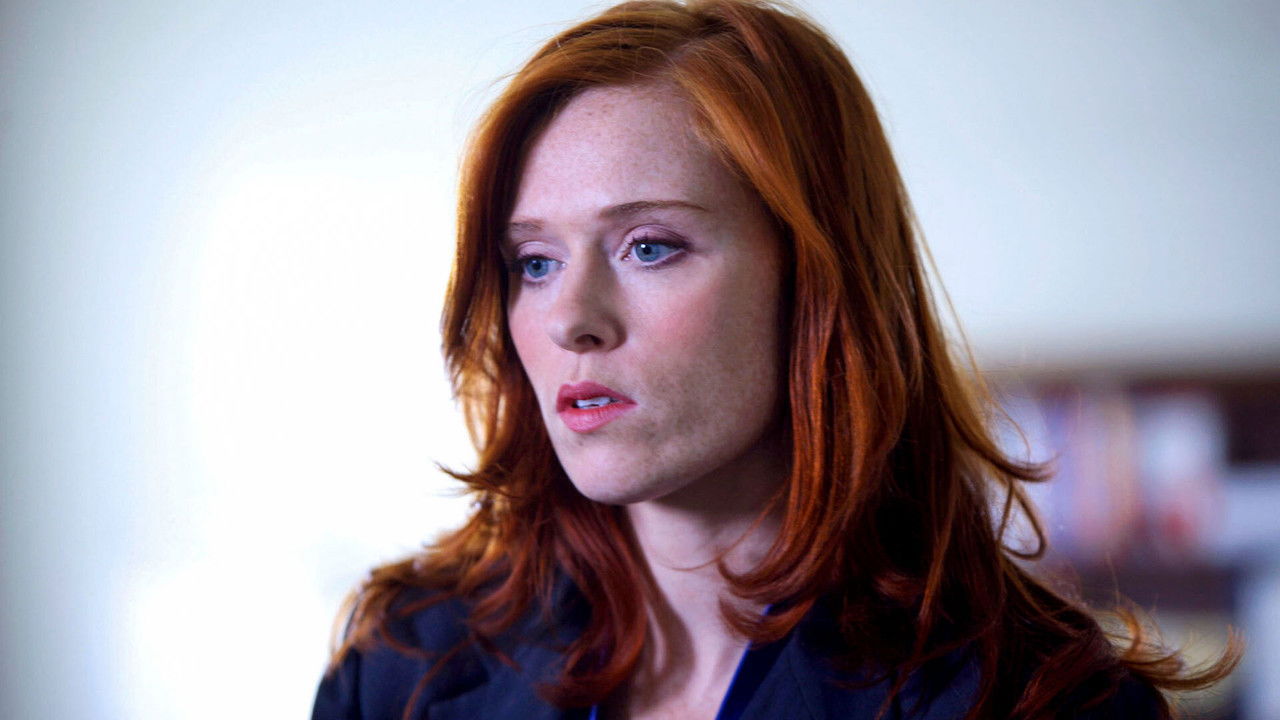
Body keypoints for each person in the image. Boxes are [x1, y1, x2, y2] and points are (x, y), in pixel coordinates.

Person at [312, 1, 1239, 718]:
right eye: (535, 263)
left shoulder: (1038, 702)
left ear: (816, 280)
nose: (571, 323)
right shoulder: (402, 669)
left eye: (649, 247)